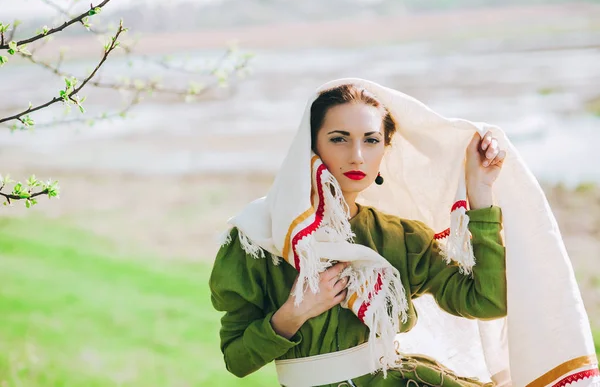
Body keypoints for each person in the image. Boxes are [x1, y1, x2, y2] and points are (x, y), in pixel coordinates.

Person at [210, 79, 599, 387]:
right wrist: (294, 312)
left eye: (371, 140)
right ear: (310, 147)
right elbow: (238, 361)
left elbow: (487, 302)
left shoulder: (399, 237)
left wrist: (479, 192)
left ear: (385, 151)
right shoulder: (258, 236)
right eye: (339, 138)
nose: (357, 155)